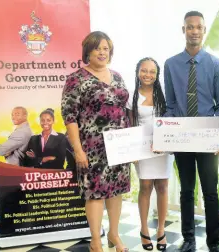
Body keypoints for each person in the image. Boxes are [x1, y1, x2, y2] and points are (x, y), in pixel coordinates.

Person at [61, 31, 131, 252]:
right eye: (97, 48)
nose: (102, 52)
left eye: (106, 49)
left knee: (116, 191)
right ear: (88, 51)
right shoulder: (76, 79)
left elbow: (124, 110)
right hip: (92, 148)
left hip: (119, 145)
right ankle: (96, 240)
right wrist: (78, 150)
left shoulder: (118, 76)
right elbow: (69, 117)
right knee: (95, 193)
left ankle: (113, 234)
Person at [164, 11, 219, 252]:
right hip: (182, 137)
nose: (194, 31)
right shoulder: (171, 64)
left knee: (210, 192)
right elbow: (169, 105)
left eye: (198, 27)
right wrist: (166, 134)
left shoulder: (216, 65)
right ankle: (189, 239)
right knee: (186, 191)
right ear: (183, 30)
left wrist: (218, 135)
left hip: (207, 137)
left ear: (204, 30)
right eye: (190, 27)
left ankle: (214, 242)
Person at [127, 57, 171, 251]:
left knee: (162, 185)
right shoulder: (131, 96)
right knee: (145, 186)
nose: (148, 75)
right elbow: (128, 125)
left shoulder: (165, 95)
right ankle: (144, 230)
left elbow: (171, 121)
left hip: (163, 147)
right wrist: (131, 151)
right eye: (144, 70)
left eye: (152, 71)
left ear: (157, 74)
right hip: (141, 146)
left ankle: (161, 230)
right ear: (138, 72)